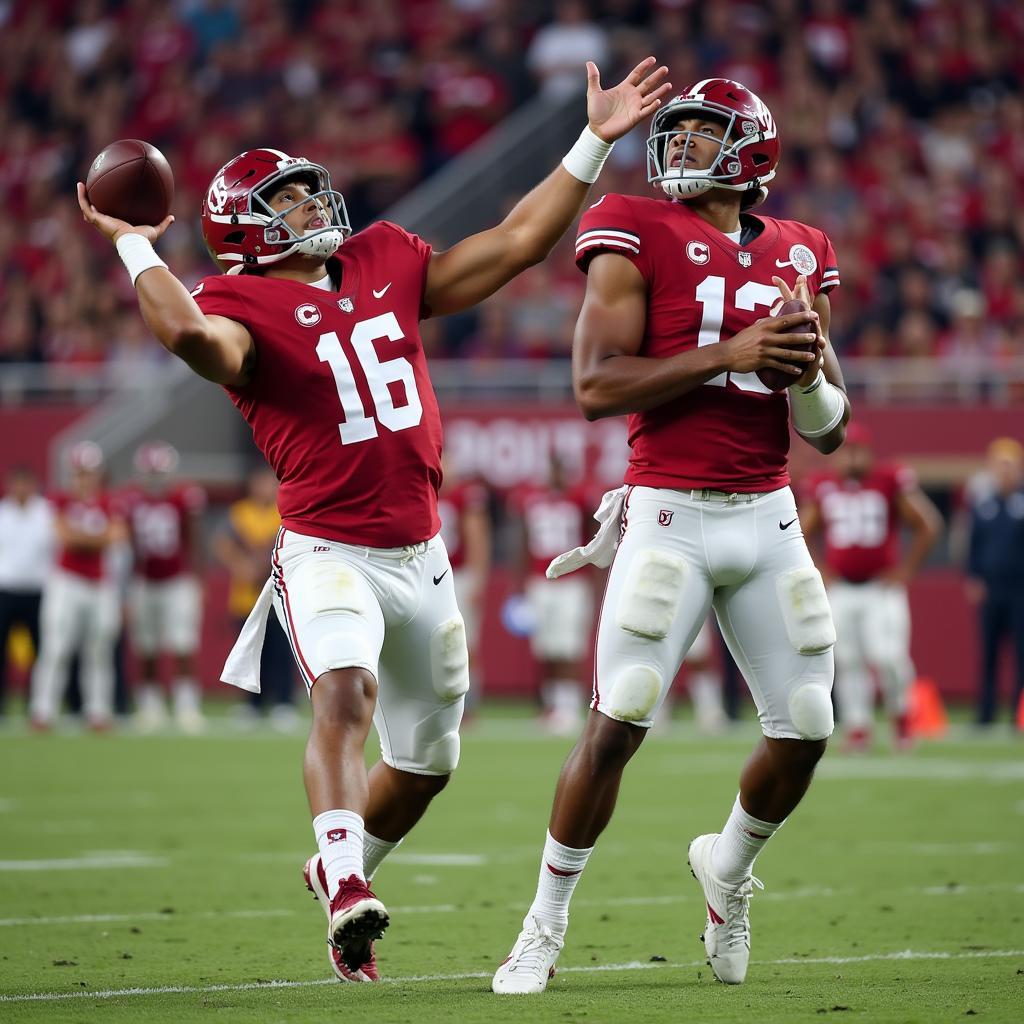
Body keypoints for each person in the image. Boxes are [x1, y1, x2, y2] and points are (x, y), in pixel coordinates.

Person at [78, 58, 671, 983]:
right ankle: (350, 885)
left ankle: (339, 868)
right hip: (327, 548)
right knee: (344, 693)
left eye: (311, 193)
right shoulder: (237, 302)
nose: (316, 208)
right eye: (290, 201)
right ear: (246, 233)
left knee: (430, 764)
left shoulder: (386, 258)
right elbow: (193, 338)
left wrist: (596, 138)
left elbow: (516, 244)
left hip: (422, 554)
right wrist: (133, 245)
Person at [492, 78, 850, 994]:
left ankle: (726, 869)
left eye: (701, 133)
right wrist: (727, 355)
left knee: (808, 725)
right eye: (677, 130)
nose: (680, 144)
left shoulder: (799, 249)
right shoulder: (633, 226)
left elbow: (831, 427)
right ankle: (543, 925)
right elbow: (595, 386)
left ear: (751, 150)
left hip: (768, 515)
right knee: (622, 716)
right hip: (668, 511)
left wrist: (803, 364)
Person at [801, 423, 942, 751]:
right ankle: (858, 726)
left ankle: (902, 718)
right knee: (847, 659)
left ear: (868, 452)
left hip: (880, 588)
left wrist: (906, 569)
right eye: (845, 451)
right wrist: (820, 569)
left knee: (889, 657)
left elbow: (928, 524)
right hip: (842, 589)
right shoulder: (823, 486)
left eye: (857, 450)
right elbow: (802, 530)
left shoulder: (888, 480)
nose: (850, 458)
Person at [28, 442, 126, 730]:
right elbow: (65, 537)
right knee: (56, 647)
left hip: (99, 582)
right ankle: (42, 710)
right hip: (66, 581)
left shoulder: (109, 501)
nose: (85, 479)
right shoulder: (59, 500)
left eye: (89, 472)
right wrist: (96, 538)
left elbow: (117, 537)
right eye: (80, 473)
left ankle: (98, 711)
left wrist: (82, 536)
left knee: (99, 648)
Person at [120, 441, 207, 733]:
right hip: (143, 581)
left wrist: (198, 577)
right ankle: (150, 707)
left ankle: (186, 706)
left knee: (183, 644)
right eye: (151, 472)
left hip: (177, 579)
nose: (155, 477)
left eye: (159, 472)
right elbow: (126, 544)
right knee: (147, 646)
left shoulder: (184, 496)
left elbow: (195, 538)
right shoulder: (131, 499)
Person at [509, 454, 595, 735]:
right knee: (546, 647)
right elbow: (523, 540)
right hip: (540, 580)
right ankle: (551, 706)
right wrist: (520, 582)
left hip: (573, 582)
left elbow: (594, 539)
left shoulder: (581, 498)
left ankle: (568, 708)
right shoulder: (531, 499)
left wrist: (595, 581)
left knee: (569, 646)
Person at [212, 466, 299, 729]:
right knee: (252, 651)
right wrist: (242, 566)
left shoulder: (284, 510)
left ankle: (284, 702)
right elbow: (222, 543)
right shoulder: (240, 512)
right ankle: (252, 703)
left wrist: (264, 565)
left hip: (280, 592)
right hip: (245, 596)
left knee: (281, 651)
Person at [965, 437, 1024, 728]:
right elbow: (973, 545)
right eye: (1000, 465)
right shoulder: (983, 503)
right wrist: (974, 577)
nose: (1005, 471)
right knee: (987, 653)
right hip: (990, 587)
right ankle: (986, 713)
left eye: (1010, 465)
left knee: (1021, 652)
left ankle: (1018, 712)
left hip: (1019, 588)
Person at [436, 457, 492, 707]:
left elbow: (477, 538)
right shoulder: (426, 492)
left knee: (465, 640)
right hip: (429, 576)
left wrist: (477, 579)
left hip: (458, 575)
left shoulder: (463, 496)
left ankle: (468, 701)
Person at [0, 466, 55, 718]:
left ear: (34, 486)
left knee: (42, 649)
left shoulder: (47, 513)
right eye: (17, 484)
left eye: (26, 484)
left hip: (39, 590)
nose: (22, 489)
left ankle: (39, 704)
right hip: (6, 589)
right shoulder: (3, 513)